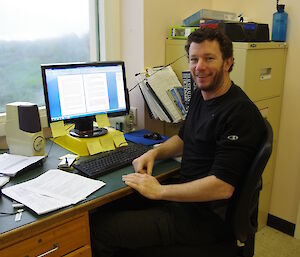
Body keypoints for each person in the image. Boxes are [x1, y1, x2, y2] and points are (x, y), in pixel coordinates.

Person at [90, 27, 266, 257]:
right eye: (194, 59)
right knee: (102, 210)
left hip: (203, 220)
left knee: (101, 231)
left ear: (228, 62)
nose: (199, 67)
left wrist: (160, 191)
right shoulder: (202, 96)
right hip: (183, 203)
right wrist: (153, 153)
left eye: (209, 58)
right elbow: (185, 137)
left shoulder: (238, 113)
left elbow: (222, 187)